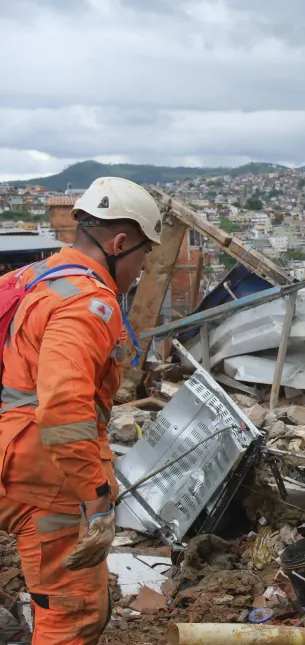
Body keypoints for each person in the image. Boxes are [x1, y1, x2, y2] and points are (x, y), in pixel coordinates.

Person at [0, 177, 161, 645]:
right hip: (44, 475)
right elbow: (65, 409)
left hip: (9, 453)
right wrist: (95, 500)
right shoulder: (88, 303)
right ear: (119, 243)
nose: (142, 267)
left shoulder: (29, 278)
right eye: (144, 255)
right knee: (72, 614)